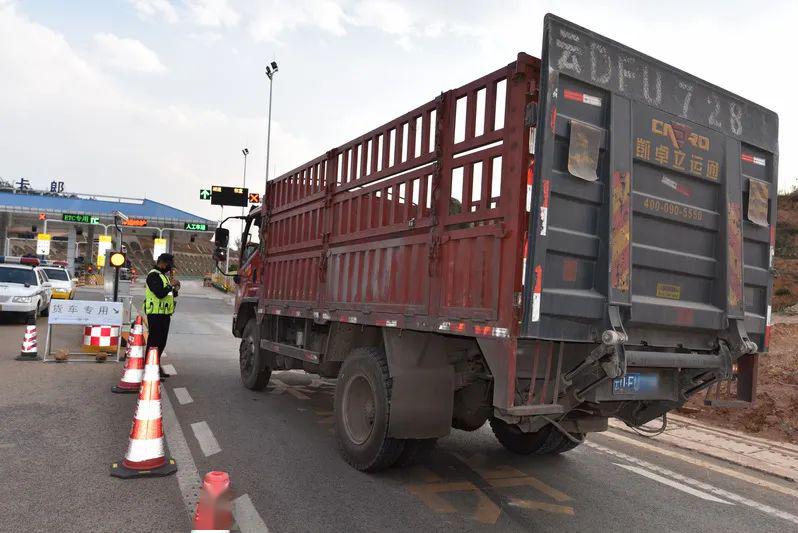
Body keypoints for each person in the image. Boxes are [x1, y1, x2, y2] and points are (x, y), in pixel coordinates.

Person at [145, 253, 180, 379]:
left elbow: (170, 294)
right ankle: (150, 369)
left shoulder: (163, 277)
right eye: (169, 265)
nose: (170, 268)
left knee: (161, 343)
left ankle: (156, 366)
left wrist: (175, 288)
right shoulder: (153, 275)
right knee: (154, 342)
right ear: (163, 263)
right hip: (155, 314)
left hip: (164, 314)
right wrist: (170, 285)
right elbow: (159, 293)